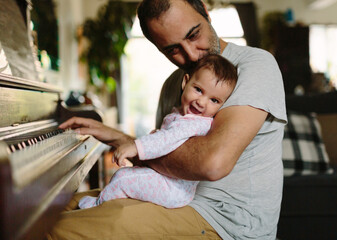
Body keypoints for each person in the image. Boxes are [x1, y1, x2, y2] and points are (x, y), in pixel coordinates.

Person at [48, 0, 287, 239]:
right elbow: (164, 163)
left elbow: (212, 164)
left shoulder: (254, 65)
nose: (191, 54)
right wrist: (120, 139)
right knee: (47, 212)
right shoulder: (174, 84)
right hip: (173, 200)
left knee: (53, 231)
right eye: (173, 49)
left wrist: (130, 142)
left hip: (225, 224)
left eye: (194, 34)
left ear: (205, 10)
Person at [78, 54, 238, 209]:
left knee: (122, 179)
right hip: (167, 180)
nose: (201, 102)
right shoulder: (183, 115)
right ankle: (110, 203)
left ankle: (98, 207)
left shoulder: (197, 123)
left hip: (174, 190)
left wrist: (136, 146)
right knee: (127, 175)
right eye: (198, 90)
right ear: (185, 82)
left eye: (214, 100)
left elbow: (167, 139)